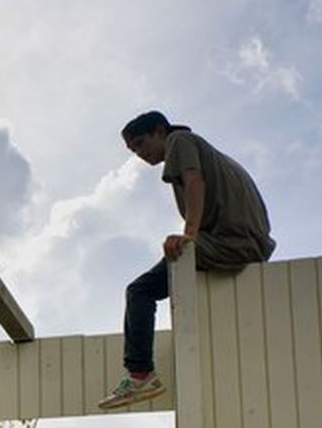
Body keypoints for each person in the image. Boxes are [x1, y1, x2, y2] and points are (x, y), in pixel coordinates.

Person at [99, 111, 275, 410]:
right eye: (133, 151)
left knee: (140, 290)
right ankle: (140, 374)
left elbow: (195, 180)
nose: (140, 154)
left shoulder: (179, 140)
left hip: (233, 242)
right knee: (156, 278)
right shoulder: (198, 148)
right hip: (244, 239)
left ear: (159, 131)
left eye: (141, 144)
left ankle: (140, 375)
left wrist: (190, 236)